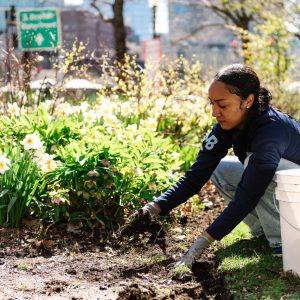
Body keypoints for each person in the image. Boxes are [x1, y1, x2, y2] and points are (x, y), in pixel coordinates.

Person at [130, 64, 300, 269]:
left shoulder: (271, 131)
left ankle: (283, 243)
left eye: (222, 105)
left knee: (255, 167)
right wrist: (153, 208)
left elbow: (248, 196)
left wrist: (202, 242)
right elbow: (196, 176)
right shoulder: (226, 126)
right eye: (212, 104)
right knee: (221, 170)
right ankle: (264, 232)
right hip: (288, 193)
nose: (214, 112)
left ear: (248, 101)